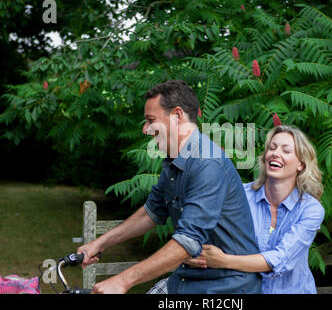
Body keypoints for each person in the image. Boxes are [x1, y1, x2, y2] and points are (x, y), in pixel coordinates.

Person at [77, 79, 261, 294]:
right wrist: (99, 244)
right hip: (188, 280)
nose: (145, 129)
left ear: (177, 116)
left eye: (150, 120)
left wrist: (122, 281)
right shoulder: (175, 162)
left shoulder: (207, 163)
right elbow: (150, 213)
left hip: (226, 287)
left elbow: (187, 241)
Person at [185, 124, 325, 294]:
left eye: (286, 151)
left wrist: (222, 260)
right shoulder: (239, 194)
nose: (275, 153)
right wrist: (192, 253)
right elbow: (199, 227)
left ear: (300, 165)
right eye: (272, 148)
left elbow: (280, 259)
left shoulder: (310, 209)